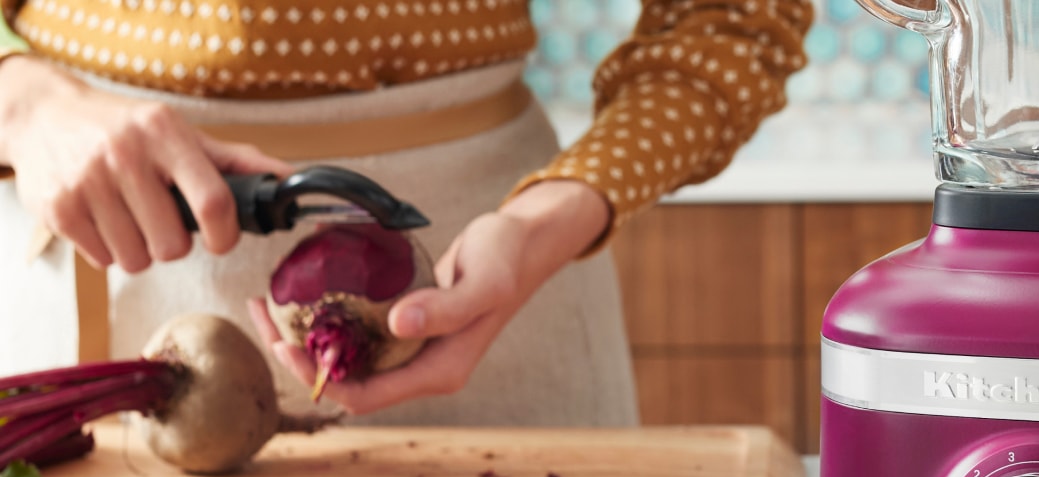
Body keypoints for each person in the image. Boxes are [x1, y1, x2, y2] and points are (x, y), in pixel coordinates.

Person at [0, 1, 812, 426]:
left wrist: (552, 216)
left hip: (493, 265)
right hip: (108, 231)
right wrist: (25, 104)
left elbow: (736, 16)